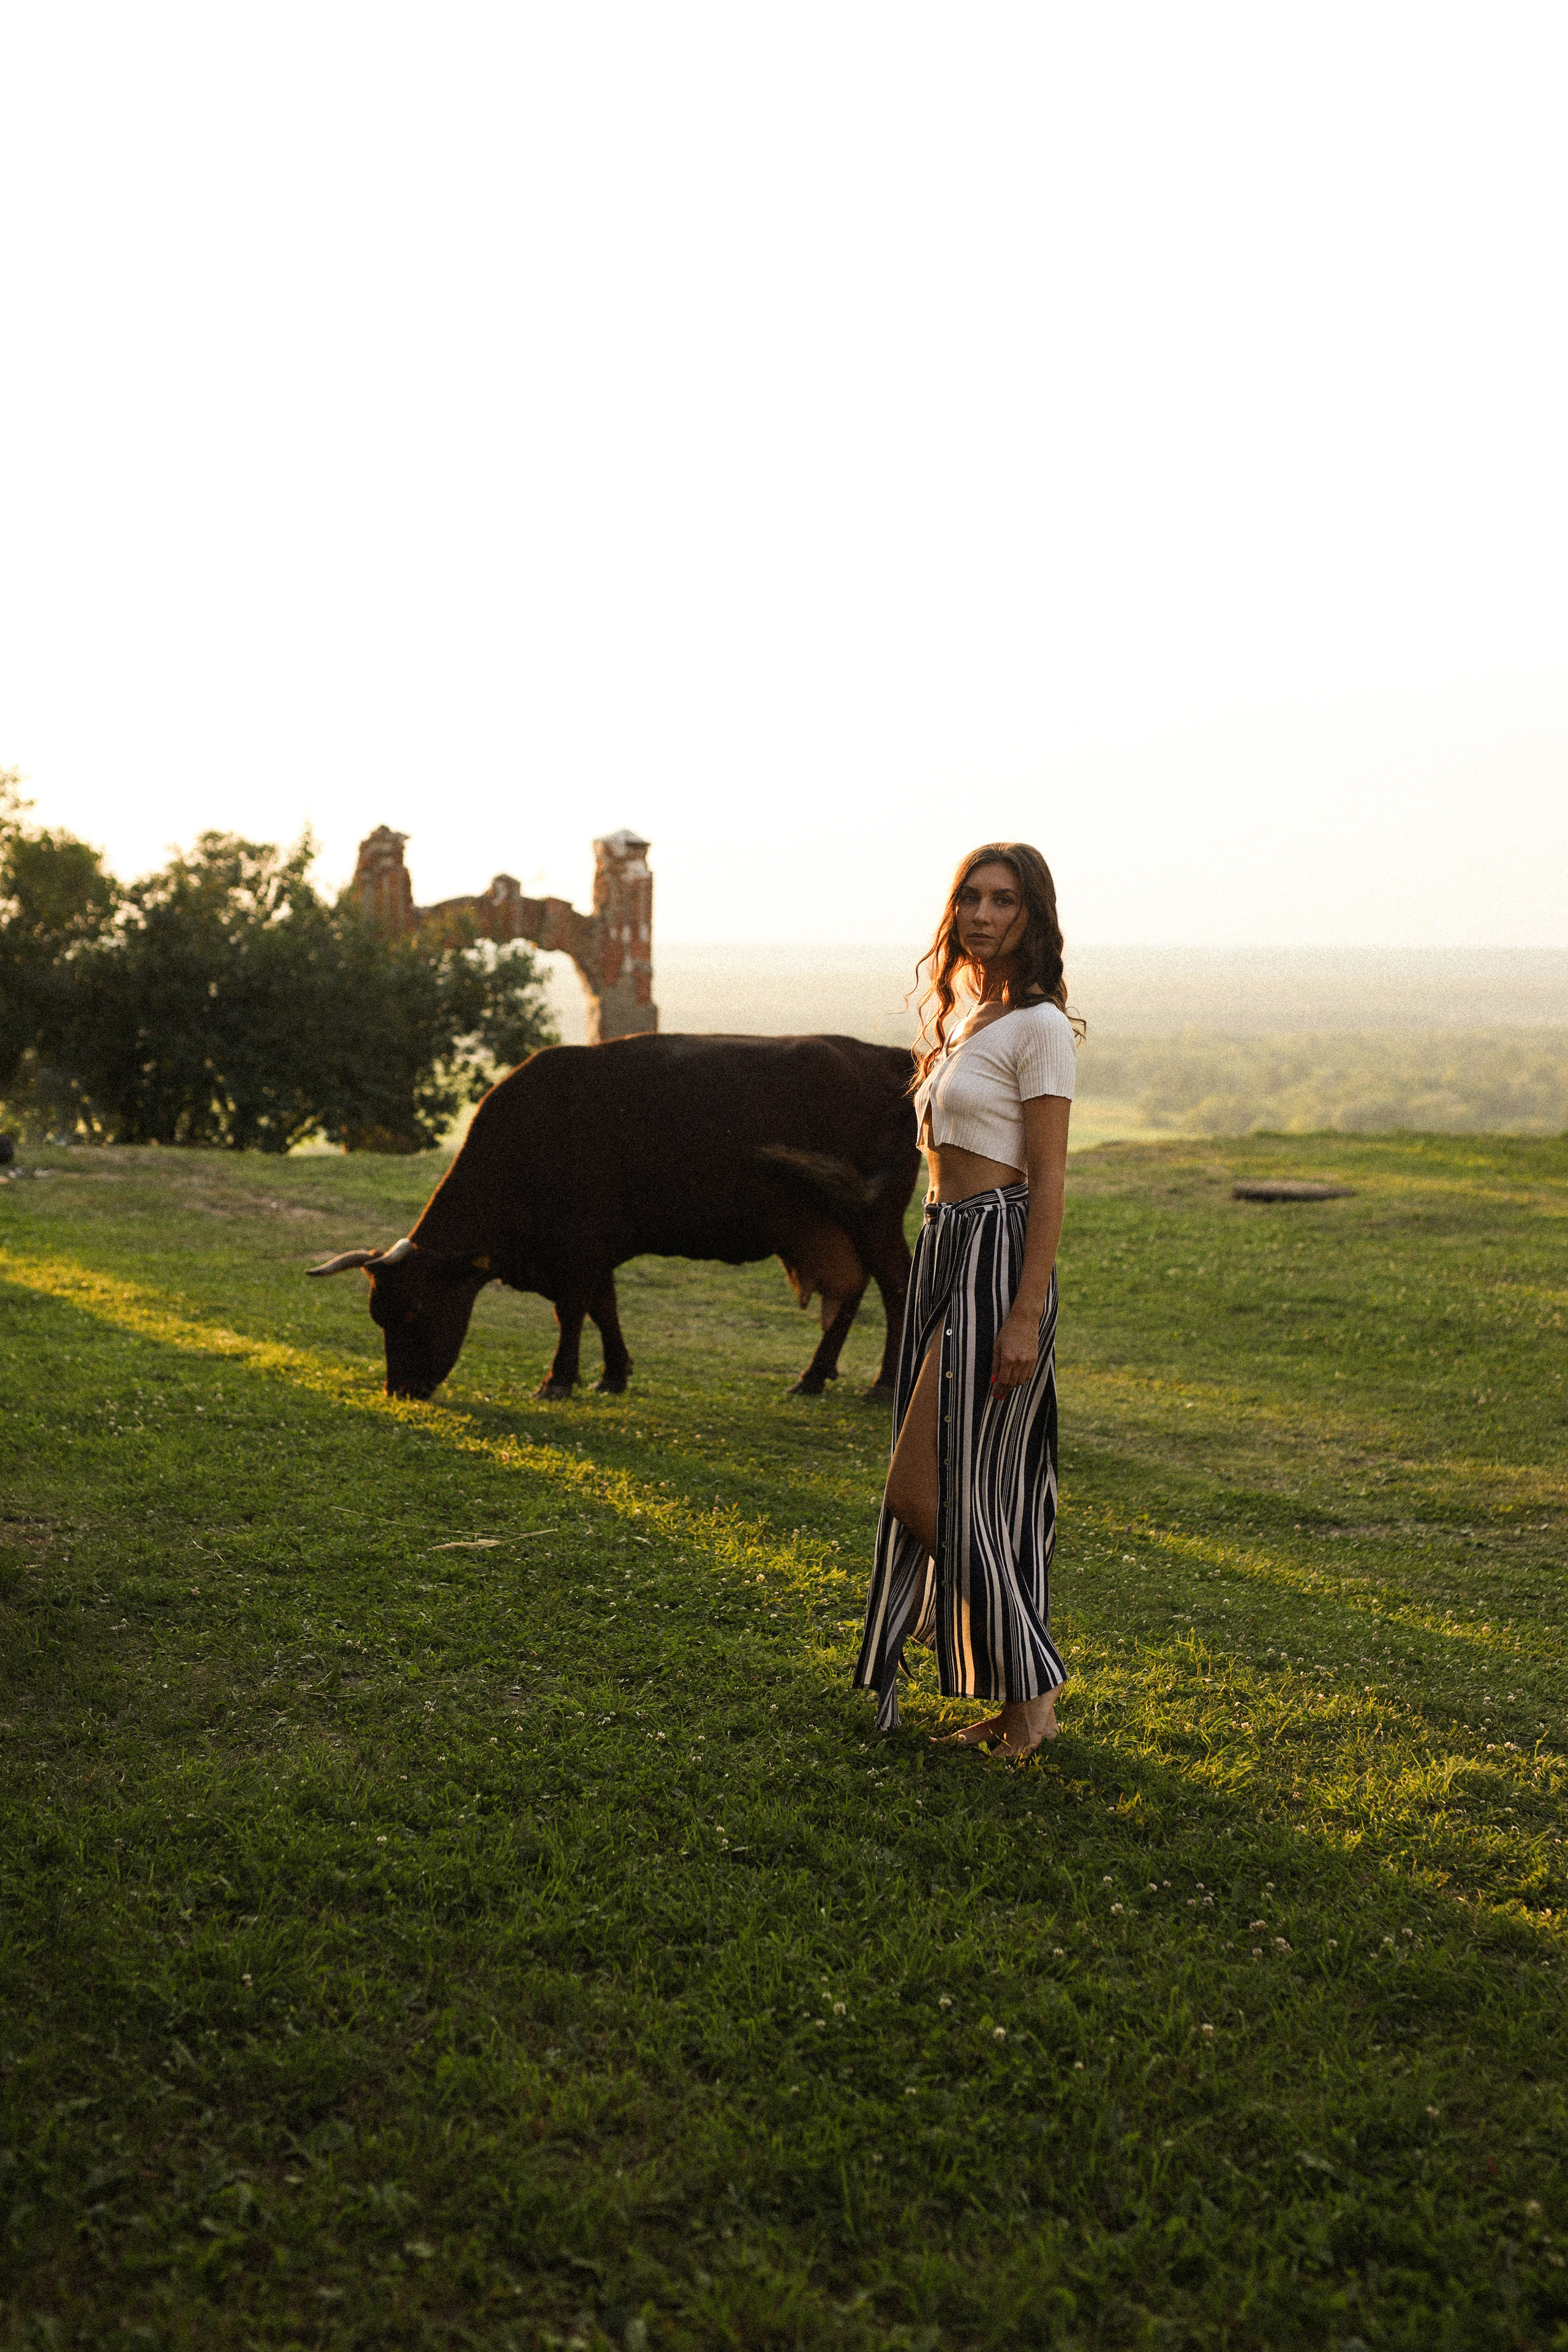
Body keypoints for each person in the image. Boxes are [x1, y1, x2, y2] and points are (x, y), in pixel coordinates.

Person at [853, 842, 1077, 1762]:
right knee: (980, 1492)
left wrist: (1024, 1314)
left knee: (922, 1488)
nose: (983, 915)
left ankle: (1034, 1682)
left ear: (1035, 917)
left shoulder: (1040, 1029)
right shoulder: (962, 1017)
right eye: (971, 898)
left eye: (1004, 901)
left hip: (997, 1248)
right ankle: (1024, 1711)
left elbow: (1053, 1181)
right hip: (944, 1245)